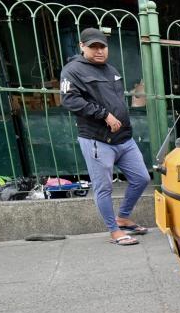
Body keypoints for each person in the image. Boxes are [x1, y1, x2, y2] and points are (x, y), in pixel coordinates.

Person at [61, 27, 151, 246]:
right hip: (97, 139)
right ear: (82, 46)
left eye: (102, 46)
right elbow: (69, 100)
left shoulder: (110, 69)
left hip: (124, 138)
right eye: (93, 47)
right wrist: (104, 115)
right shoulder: (72, 71)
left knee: (142, 178)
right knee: (104, 188)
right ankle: (114, 231)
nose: (99, 51)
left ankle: (123, 217)